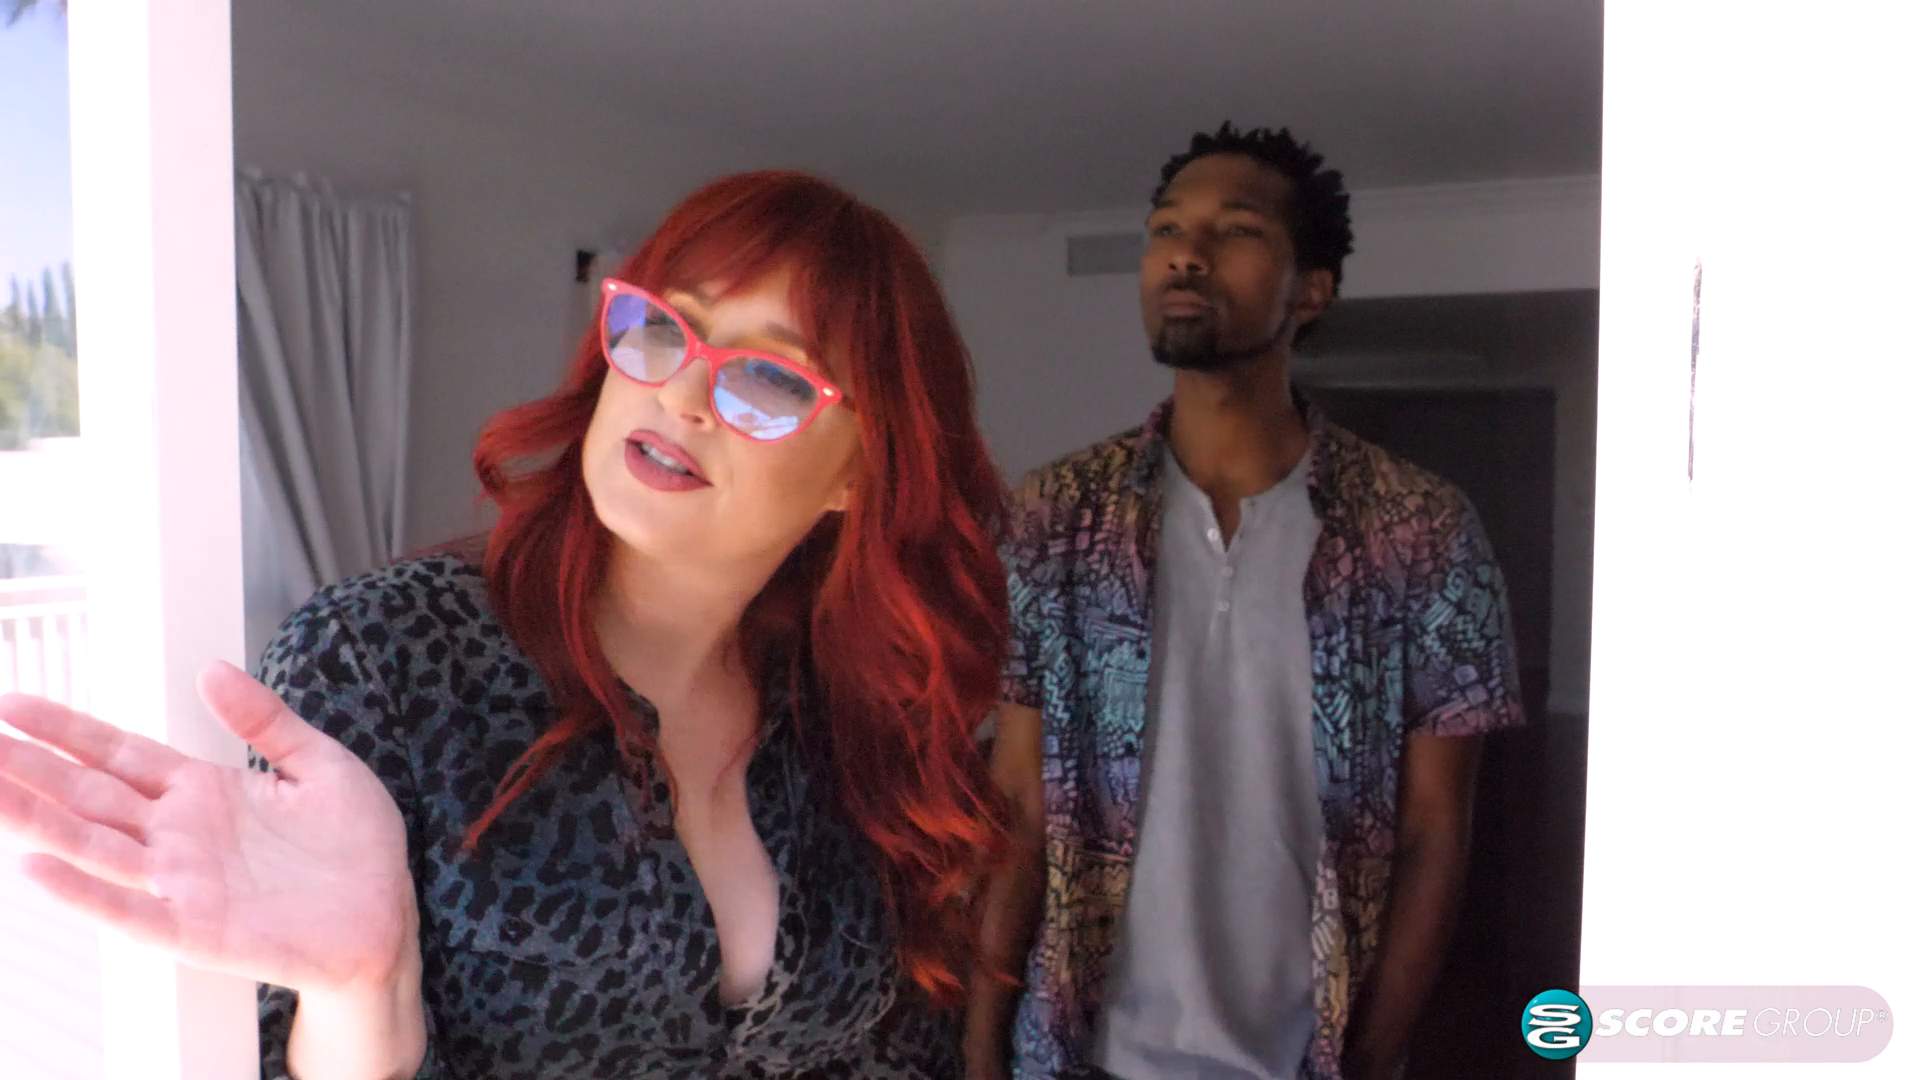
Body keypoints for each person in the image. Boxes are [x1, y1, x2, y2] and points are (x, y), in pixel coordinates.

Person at [0, 170, 1014, 1079]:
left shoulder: (846, 707)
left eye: (770, 378)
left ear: (861, 473)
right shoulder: (384, 659)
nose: (683, 393)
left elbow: (899, 1037)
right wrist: (364, 990)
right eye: (664, 328)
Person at [965, 123, 1525, 1080]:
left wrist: (1372, 1053)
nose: (1185, 253)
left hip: (1301, 1054)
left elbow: (1435, 832)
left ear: (1311, 291)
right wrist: (981, 1047)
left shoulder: (1419, 528)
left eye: (1235, 231)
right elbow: (1016, 799)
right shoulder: (1056, 516)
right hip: (1078, 1053)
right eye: (1166, 229)